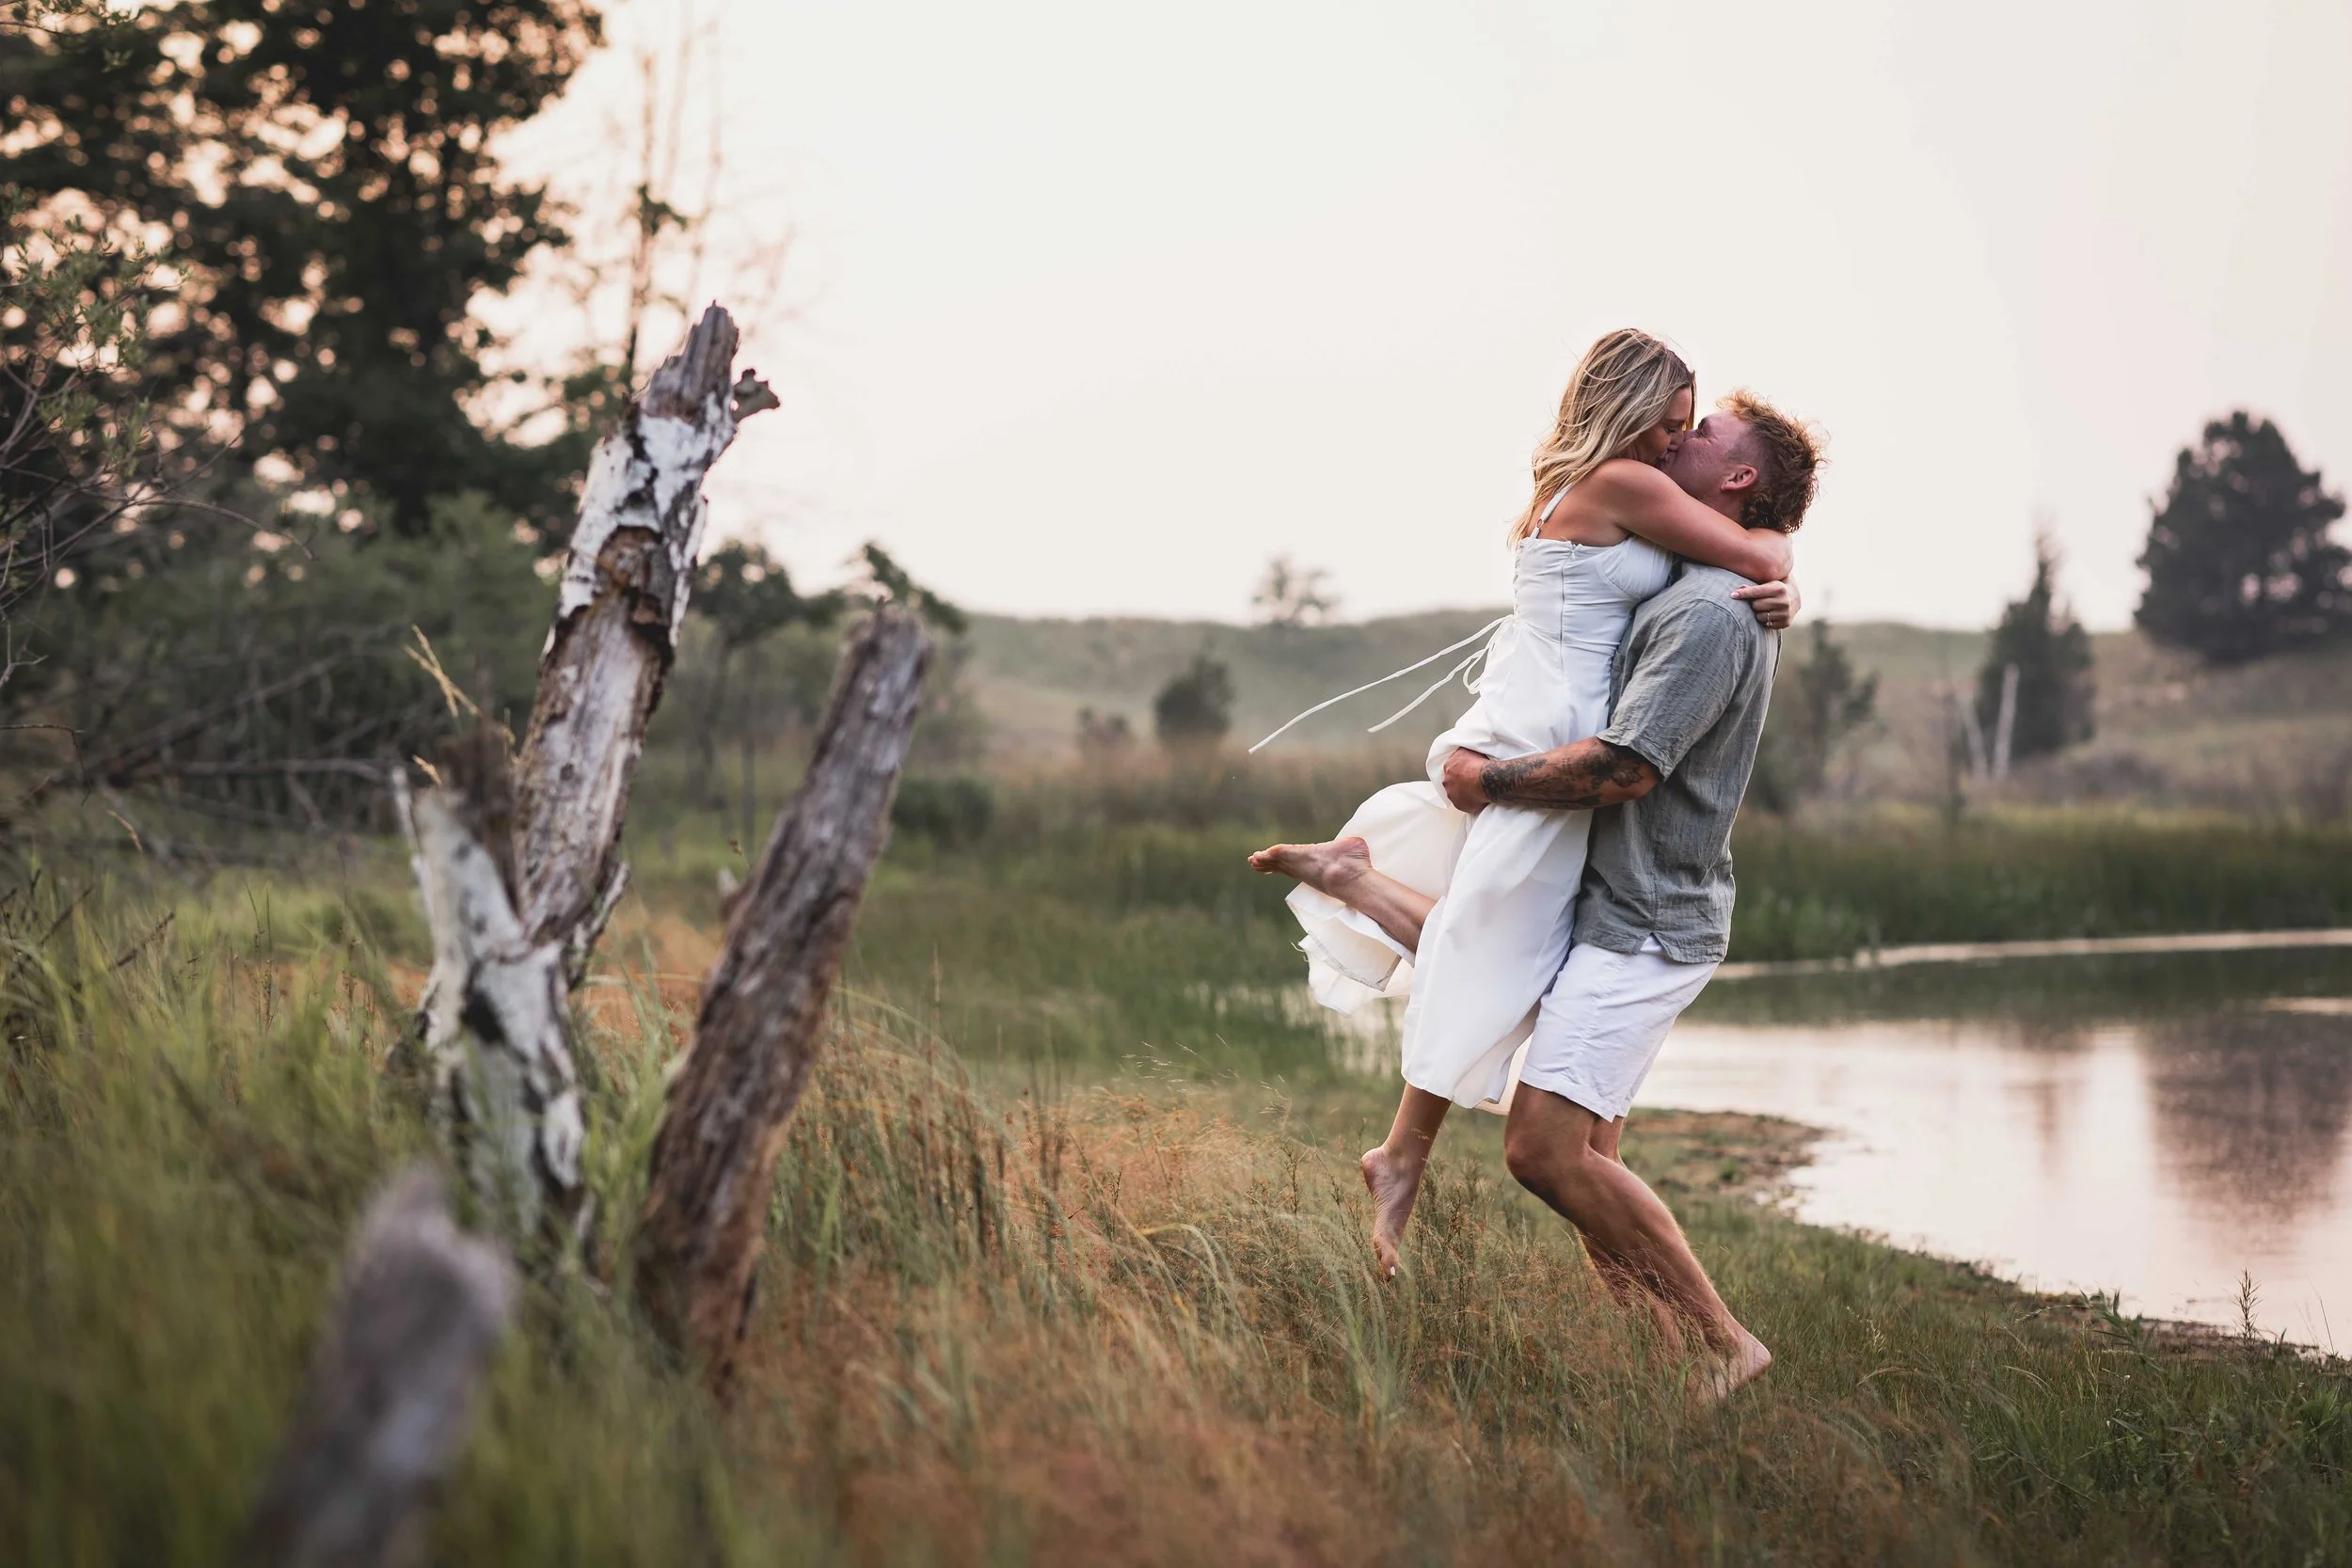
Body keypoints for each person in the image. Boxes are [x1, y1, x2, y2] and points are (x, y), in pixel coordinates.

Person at [1284, 388, 1824, 1397]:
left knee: (1543, 1150)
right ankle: (1671, 1376)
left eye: (1703, 434)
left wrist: (1485, 782)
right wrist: (1785, 569)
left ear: (1739, 478)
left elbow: (1625, 768)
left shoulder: (1710, 614)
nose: (1682, 436)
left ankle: (1727, 1346)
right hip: (1610, 901)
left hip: (1645, 921)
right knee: (1588, 1167)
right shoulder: (1698, 575)